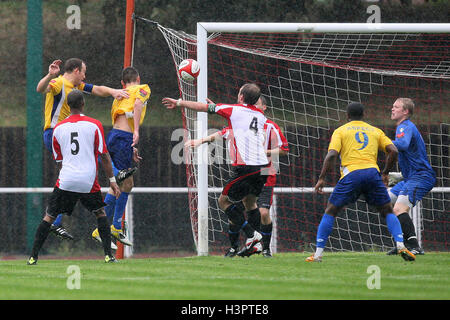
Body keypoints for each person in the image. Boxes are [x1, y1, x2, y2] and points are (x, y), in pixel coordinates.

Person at [163, 83, 269, 257]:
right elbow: (236, 125)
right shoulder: (259, 114)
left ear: (241, 96)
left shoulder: (234, 109)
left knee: (224, 202)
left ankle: (252, 234)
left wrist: (179, 102)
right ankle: (254, 244)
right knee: (250, 203)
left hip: (246, 167)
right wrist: (220, 110)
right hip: (261, 167)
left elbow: (203, 107)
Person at [306, 102, 416, 262]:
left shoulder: (341, 131)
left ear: (347, 116)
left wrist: (322, 178)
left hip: (352, 174)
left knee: (331, 211)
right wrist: (384, 172)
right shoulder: (375, 131)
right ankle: (400, 245)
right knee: (387, 211)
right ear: (363, 115)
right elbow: (393, 150)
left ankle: (317, 254)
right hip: (372, 173)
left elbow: (331, 155)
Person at [36, 58, 129, 241]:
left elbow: (97, 89)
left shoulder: (76, 87)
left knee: (75, 176)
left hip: (66, 134)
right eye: (84, 72)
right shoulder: (59, 83)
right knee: (89, 159)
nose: (85, 76)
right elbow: (40, 89)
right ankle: (117, 174)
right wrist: (50, 75)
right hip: (55, 134)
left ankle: (56, 221)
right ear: (76, 70)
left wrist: (114, 92)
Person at [185, 96, 289, 258]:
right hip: (244, 169)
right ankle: (237, 246)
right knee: (239, 210)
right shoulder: (241, 122)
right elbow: (223, 132)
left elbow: (283, 150)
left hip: (265, 172)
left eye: (256, 104)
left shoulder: (270, 126)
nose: (252, 106)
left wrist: (264, 152)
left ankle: (264, 247)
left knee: (261, 211)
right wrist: (201, 139)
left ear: (264, 107)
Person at [27, 90, 121, 265]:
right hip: (88, 181)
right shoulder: (94, 125)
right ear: (83, 103)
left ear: (68, 106)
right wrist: (112, 181)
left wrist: (69, 175)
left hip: (67, 180)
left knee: (49, 216)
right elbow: (105, 156)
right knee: (100, 213)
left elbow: (60, 160)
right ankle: (108, 255)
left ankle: (33, 257)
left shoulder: (58, 129)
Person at [91, 66, 149, 248]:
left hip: (115, 136)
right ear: (138, 78)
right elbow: (138, 105)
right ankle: (114, 226)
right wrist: (136, 132)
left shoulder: (120, 95)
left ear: (122, 83)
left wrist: (130, 147)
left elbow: (122, 118)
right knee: (126, 182)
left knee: (120, 184)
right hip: (124, 138)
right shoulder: (143, 88)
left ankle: (107, 228)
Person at [386, 98, 436, 255]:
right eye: (392, 106)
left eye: (396, 107)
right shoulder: (404, 127)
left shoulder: (404, 126)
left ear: (405, 112)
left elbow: (402, 145)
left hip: (420, 177)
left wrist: (380, 142)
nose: (392, 109)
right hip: (410, 178)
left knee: (399, 209)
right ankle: (402, 244)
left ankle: (413, 245)